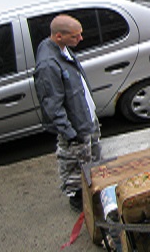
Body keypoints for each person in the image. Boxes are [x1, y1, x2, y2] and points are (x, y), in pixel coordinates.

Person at [34, 14, 101, 212]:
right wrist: (70, 133)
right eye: (75, 36)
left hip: (85, 119)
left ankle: (93, 192)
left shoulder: (62, 50)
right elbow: (53, 105)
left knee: (92, 160)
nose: (80, 39)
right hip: (76, 129)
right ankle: (81, 203)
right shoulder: (48, 65)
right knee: (75, 167)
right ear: (59, 37)